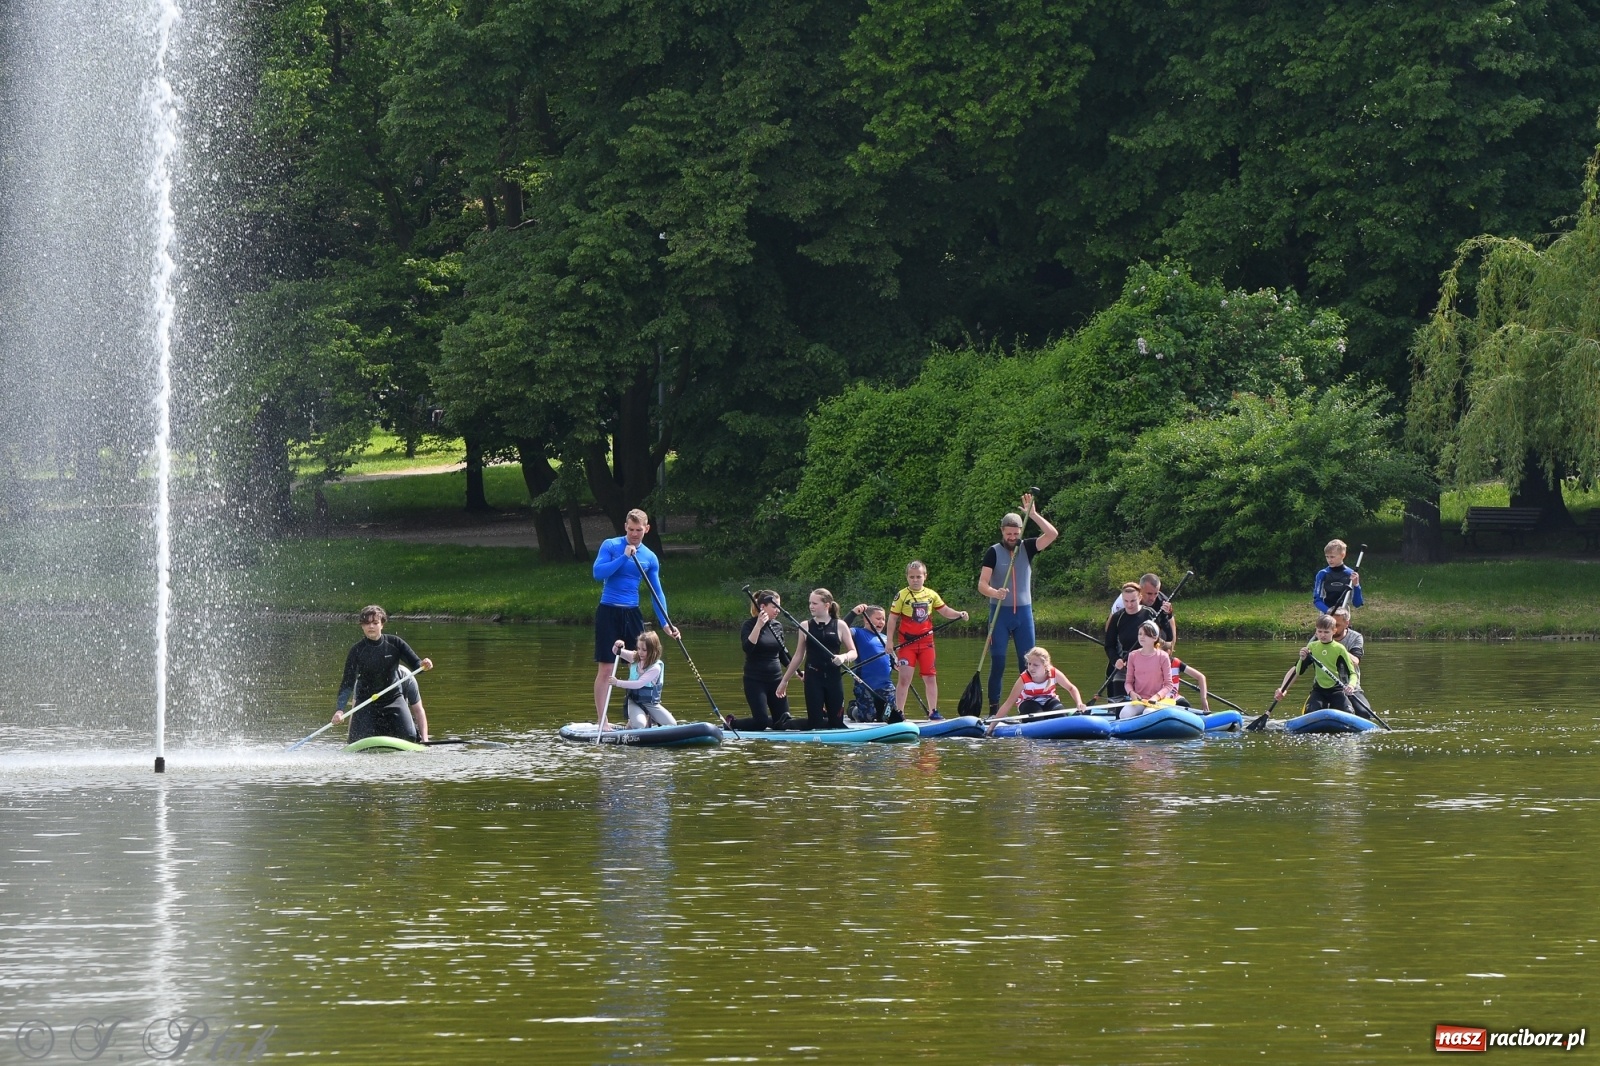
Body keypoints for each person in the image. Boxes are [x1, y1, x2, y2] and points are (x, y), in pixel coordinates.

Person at [591, 509, 680, 729]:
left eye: (638, 530)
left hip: (632, 613)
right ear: (625, 527)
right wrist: (624, 557)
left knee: (642, 664)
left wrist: (665, 623)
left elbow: (656, 592)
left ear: (646, 529)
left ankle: (638, 717)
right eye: (630, 530)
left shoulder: (649, 557)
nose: (634, 534)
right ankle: (603, 721)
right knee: (605, 668)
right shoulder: (611, 545)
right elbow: (598, 573)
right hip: (608, 611)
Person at [977, 493, 1058, 714]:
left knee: (1030, 666)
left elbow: (1052, 534)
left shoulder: (1028, 547)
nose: (1012, 537)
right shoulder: (993, 552)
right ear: (1002, 531)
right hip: (999, 615)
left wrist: (1033, 515)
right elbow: (982, 585)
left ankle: (1029, 703)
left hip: (1024, 616)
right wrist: (995, 591)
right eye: (1008, 533)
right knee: (999, 664)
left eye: (1016, 533)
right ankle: (994, 711)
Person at [331, 605, 434, 743]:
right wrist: (339, 710)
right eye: (367, 623)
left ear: (382, 624)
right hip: (366, 702)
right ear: (362, 626)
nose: (371, 626)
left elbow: (418, 666)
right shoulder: (356, 651)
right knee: (356, 740)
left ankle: (411, 730)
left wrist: (425, 664)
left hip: (393, 700)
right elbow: (347, 684)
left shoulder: (395, 643)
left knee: (409, 737)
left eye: (375, 623)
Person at [886, 562, 968, 720]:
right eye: (911, 577)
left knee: (930, 677)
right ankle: (899, 712)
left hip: (926, 644)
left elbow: (945, 610)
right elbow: (893, 618)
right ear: (907, 577)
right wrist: (889, 641)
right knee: (904, 679)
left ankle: (933, 712)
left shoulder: (931, 594)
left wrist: (959, 614)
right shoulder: (901, 595)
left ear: (925, 576)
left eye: (918, 577)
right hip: (907, 645)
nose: (915, 580)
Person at [776, 589, 858, 730]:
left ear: (827, 605)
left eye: (815, 603)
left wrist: (843, 657)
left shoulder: (840, 625)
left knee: (837, 723)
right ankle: (786, 724)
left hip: (833, 679)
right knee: (816, 723)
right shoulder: (805, 626)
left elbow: (853, 652)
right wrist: (784, 680)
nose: (811, 606)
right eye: (810, 603)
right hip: (813, 678)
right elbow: (798, 656)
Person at [727, 590, 792, 731]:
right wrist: (759, 626)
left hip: (776, 680)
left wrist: (797, 671)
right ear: (763, 607)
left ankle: (774, 723)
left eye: (779, 607)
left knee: (784, 722)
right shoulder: (748, 625)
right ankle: (732, 723)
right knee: (761, 722)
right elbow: (748, 648)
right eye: (775, 607)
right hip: (755, 681)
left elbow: (781, 653)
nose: (778, 610)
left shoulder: (777, 626)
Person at [986, 646, 1087, 731]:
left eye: (1035, 665)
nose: (1031, 668)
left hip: (1049, 701)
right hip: (1028, 703)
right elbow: (1008, 703)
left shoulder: (1054, 673)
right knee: (1037, 718)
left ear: (1045, 666)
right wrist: (991, 728)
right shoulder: (1023, 679)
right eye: (1029, 664)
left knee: (1059, 717)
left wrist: (1079, 703)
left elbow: (1071, 688)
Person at [1276, 614, 1361, 713]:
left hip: (1337, 690)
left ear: (1334, 631)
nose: (1323, 635)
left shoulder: (1339, 649)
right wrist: (1302, 659)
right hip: (1319, 690)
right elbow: (1299, 671)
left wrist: (1351, 685)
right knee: (1310, 710)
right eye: (1320, 631)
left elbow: (1352, 673)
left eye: (1326, 632)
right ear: (1316, 632)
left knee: (1349, 711)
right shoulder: (1312, 647)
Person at [610, 631, 677, 730]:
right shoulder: (634, 657)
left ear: (653, 650)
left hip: (650, 703)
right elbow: (616, 651)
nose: (640, 652)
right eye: (638, 648)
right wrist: (617, 644)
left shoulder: (655, 667)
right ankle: (633, 723)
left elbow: (639, 684)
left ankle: (645, 718)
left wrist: (617, 682)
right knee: (639, 725)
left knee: (672, 725)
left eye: (644, 650)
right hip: (634, 701)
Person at [1103, 583, 1159, 700]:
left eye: (1133, 601)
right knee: (1119, 704)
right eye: (1126, 601)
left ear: (1140, 598)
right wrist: (1116, 660)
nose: (1129, 605)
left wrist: (1165, 616)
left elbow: (1163, 638)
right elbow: (1109, 645)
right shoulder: (1117, 617)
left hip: (1147, 667)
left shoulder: (1150, 614)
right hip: (1124, 668)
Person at [846, 604, 900, 723]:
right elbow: (840, 628)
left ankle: (880, 712)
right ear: (866, 619)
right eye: (878, 618)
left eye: (883, 619)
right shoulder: (857, 633)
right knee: (868, 719)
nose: (881, 622)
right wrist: (854, 613)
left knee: (888, 717)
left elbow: (892, 658)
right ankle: (853, 709)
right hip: (865, 685)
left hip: (886, 686)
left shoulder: (886, 638)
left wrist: (897, 664)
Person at [1118, 620, 1176, 714]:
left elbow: (1168, 684)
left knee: (1148, 712)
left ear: (1155, 637)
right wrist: (1131, 693)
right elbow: (1128, 682)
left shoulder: (1163, 656)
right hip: (1140, 699)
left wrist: (1156, 697)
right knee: (1124, 714)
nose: (1142, 637)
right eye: (1140, 634)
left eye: (1146, 634)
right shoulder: (1133, 656)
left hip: (1157, 700)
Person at [1106, 573, 1176, 647]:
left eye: (1156, 593)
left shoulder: (1163, 601)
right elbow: (1110, 625)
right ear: (1140, 590)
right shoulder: (1126, 599)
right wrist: (1113, 651)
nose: (1153, 598)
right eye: (1149, 594)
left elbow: (1171, 626)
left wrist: (1170, 649)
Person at [1313, 539, 1363, 614]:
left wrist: (1356, 585)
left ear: (1343, 555)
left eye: (1332, 557)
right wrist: (1329, 612)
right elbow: (1317, 600)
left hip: (1343, 616)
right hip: (1326, 616)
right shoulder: (1322, 574)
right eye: (1327, 557)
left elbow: (1357, 603)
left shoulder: (1351, 574)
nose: (1329, 560)